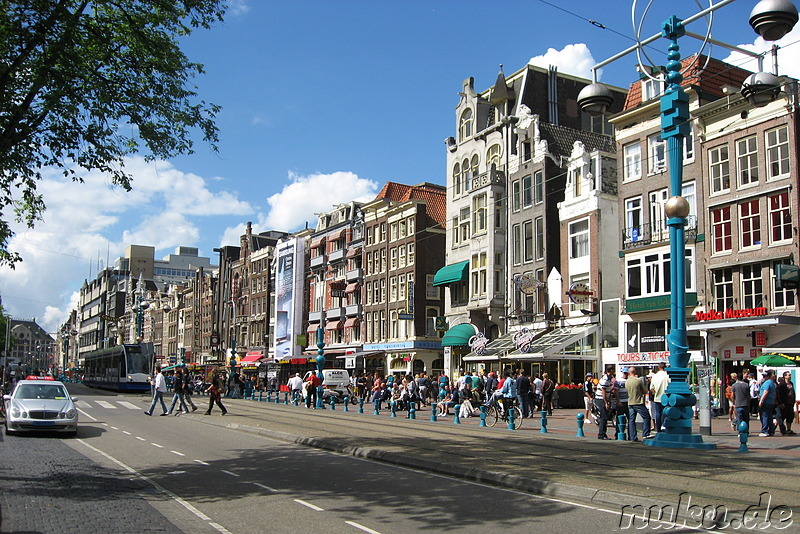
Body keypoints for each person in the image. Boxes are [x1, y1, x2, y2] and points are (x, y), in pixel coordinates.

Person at [626, 367, 651, 442]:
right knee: (646, 417)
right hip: (638, 402)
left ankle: (633, 436)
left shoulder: (627, 381)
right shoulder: (638, 380)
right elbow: (645, 391)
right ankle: (645, 434)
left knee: (631, 420)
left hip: (630, 402)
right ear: (635, 372)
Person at [649, 362, 670, 432]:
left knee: (658, 414)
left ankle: (658, 428)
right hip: (666, 397)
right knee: (666, 413)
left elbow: (651, 388)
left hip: (657, 397)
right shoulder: (667, 375)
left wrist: (655, 393)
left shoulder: (655, 376)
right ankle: (664, 427)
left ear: (658, 367)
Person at [595, 367, 614, 440]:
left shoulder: (609, 379)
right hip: (600, 399)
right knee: (604, 417)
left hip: (603, 399)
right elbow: (603, 392)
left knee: (605, 416)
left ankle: (603, 433)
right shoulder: (605, 379)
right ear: (610, 371)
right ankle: (601, 434)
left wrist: (609, 400)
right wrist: (606, 402)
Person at [758, 370, 777, 437]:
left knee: (764, 416)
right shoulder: (772, 383)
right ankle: (771, 431)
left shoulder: (767, 383)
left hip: (766, 402)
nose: (763, 377)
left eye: (765, 376)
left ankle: (764, 431)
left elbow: (766, 392)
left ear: (768, 376)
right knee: (769, 416)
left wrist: (761, 401)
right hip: (770, 402)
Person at [776, 371, 796, 435]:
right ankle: (777, 427)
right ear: (785, 376)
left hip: (790, 403)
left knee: (790, 416)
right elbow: (779, 394)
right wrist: (781, 402)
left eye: (790, 375)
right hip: (784, 403)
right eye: (788, 375)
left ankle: (789, 429)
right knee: (782, 416)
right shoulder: (782, 384)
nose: (790, 376)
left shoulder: (791, 383)